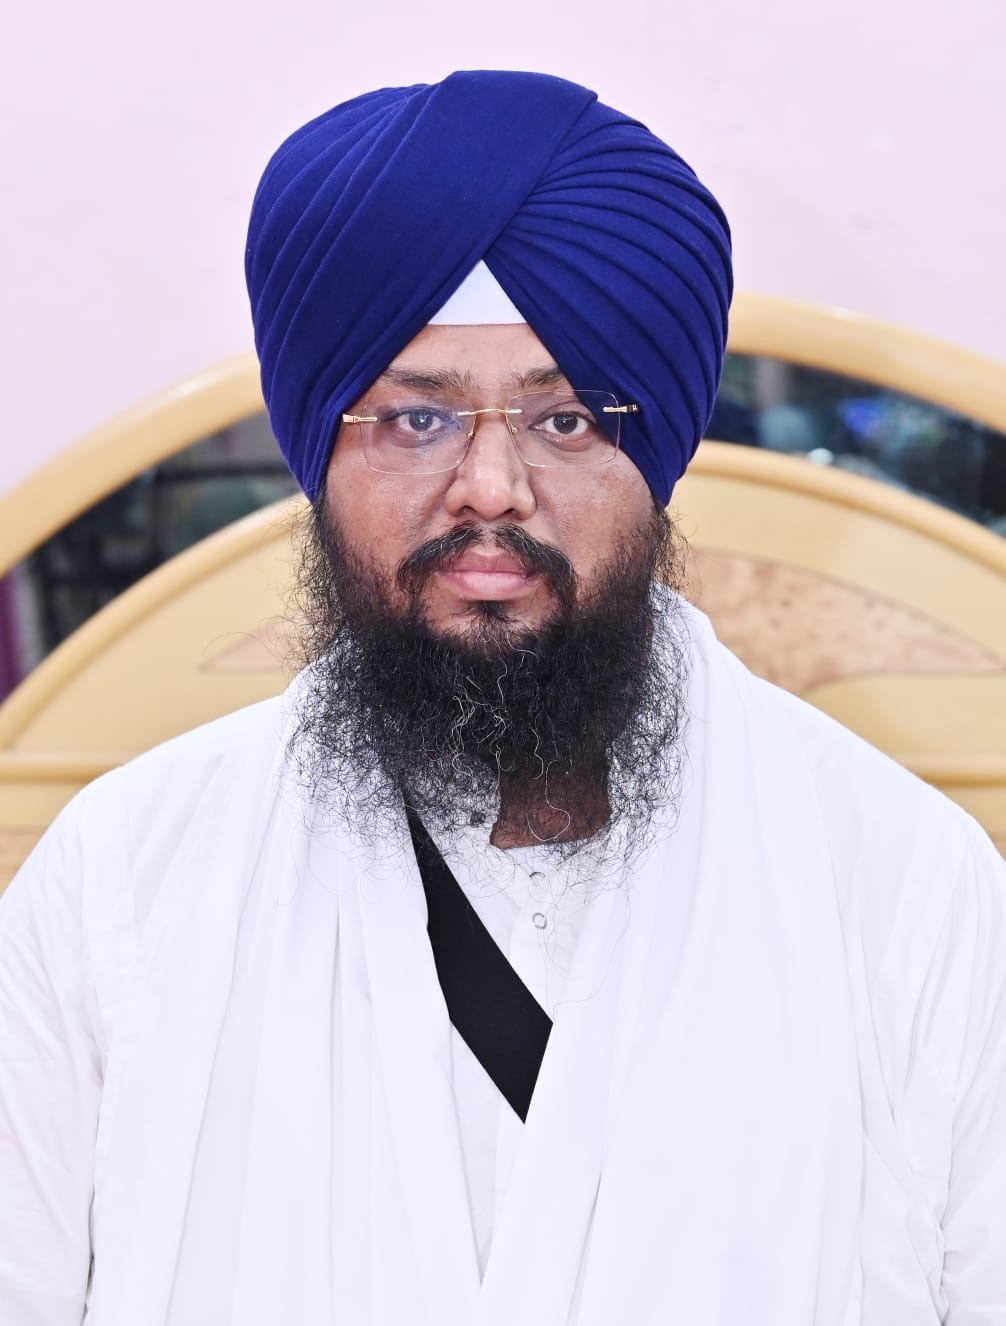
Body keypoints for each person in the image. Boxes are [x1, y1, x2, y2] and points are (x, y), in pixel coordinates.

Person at [1, 70, 1004, 1326]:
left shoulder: (904, 883)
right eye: (415, 418)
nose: (490, 486)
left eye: (566, 419)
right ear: (321, 453)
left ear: (654, 456)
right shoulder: (123, 878)